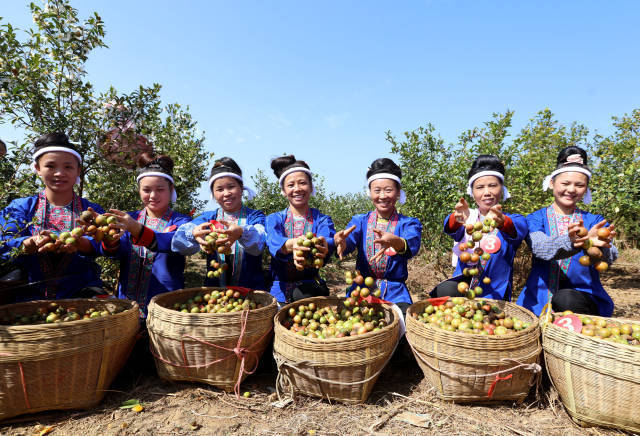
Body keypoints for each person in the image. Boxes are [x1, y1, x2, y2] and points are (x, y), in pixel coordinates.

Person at [0, 132, 105, 300]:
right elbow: (3, 243)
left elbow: (106, 245)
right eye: (50, 166)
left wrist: (83, 244)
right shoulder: (21, 207)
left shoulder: (91, 210)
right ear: (37, 168)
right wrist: (28, 243)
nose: (59, 173)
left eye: (68, 167)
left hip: (81, 298)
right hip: (25, 298)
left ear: (78, 170)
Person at [517, 146, 617, 316]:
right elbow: (541, 247)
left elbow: (611, 256)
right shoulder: (535, 218)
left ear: (586, 189)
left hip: (582, 299)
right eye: (565, 183)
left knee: (566, 299)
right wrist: (575, 242)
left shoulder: (596, 221)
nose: (571, 189)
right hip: (537, 299)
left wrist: (600, 249)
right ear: (551, 183)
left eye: (579, 185)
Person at [97, 153, 191, 318]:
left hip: (166, 308)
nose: (153, 196)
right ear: (139, 191)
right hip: (128, 307)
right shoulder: (129, 218)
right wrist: (109, 239)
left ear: (171, 190)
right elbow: (117, 251)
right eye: (146, 190)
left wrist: (136, 229)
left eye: (160, 189)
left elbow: (175, 242)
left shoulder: (182, 221)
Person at [431, 155, 528, 301]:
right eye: (480, 187)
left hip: (495, 291)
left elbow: (517, 230)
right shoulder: (468, 218)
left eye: (493, 186)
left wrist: (502, 222)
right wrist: (457, 218)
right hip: (462, 287)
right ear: (472, 192)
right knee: (446, 291)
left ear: (502, 189)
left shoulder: (515, 219)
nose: (487, 192)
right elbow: (450, 227)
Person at [334, 158, 422, 314]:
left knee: (403, 323)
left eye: (388, 190)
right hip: (361, 289)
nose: (382, 196)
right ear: (370, 192)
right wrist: (341, 242)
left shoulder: (408, 223)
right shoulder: (360, 221)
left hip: (395, 291)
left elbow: (412, 246)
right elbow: (349, 241)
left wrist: (396, 241)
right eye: (377, 190)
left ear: (398, 192)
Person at [172, 157, 266, 290]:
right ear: (213, 194)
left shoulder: (255, 216)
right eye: (219, 189)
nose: (226, 193)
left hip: (252, 294)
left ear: (241, 188)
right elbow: (179, 241)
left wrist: (241, 232)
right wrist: (193, 233)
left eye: (231, 187)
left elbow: (260, 243)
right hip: (214, 294)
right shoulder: (208, 218)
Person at [265, 155, 335, 303]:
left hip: (311, 291)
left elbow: (327, 239)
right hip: (279, 293)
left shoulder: (322, 220)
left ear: (311, 187)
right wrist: (293, 245)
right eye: (291, 185)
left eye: (302, 183)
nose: (297, 189)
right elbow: (273, 241)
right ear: (283, 191)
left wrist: (325, 245)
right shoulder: (274, 219)